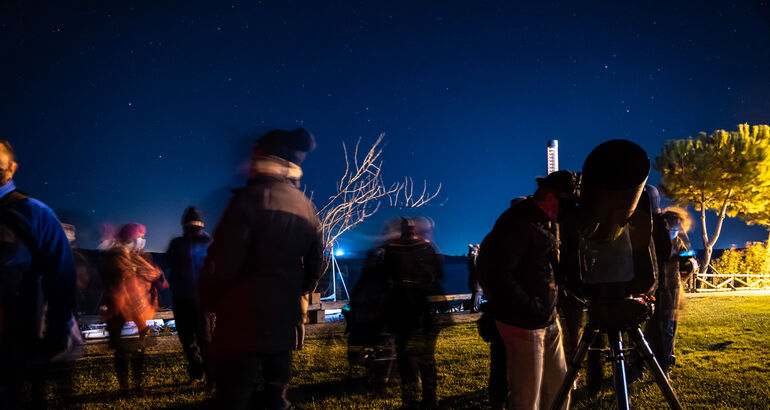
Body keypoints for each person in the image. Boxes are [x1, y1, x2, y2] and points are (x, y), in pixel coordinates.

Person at [199, 128, 323, 410]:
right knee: (275, 395)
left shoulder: (249, 200)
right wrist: (297, 292)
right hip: (283, 318)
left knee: (235, 396)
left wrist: (208, 299)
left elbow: (224, 261)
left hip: (241, 318)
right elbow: (315, 263)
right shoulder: (307, 206)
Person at [476, 171, 577, 410]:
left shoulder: (543, 221)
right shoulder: (517, 223)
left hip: (546, 319)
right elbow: (499, 276)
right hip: (524, 323)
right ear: (552, 198)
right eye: (568, 202)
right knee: (527, 397)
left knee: (559, 388)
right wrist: (533, 308)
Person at [0, 139, 77, 408]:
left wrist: (55, 334)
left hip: (16, 343)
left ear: (12, 168)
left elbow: (62, 275)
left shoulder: (34, 213)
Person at [383, 217, 444, 409]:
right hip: (424, 308)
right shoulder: (426, 248)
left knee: (406, 358)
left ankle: (410, 401)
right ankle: (430, 399)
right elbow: (437, 276)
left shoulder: (392, 248)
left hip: (402, 309)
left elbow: (386, 275)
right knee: (427, 358)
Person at [100, 223, 162, 390]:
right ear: (129, 239)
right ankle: (125, 386)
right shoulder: (115, 257)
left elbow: (155, 275)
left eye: (142, 238)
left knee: (139, 350)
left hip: (139, 311)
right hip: (120, 312)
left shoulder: (141, 256)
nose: (142, 241)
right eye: (139, 237)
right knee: (122, 352)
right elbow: (114, 281)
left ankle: (138, 383)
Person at [165, 206, 212, 384]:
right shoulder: (209, 241)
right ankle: (209, 374)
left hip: (182, 298)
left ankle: (197, 372)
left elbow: (167, 262)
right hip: (202, 298)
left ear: (184, 224)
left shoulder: (177, 243)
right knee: (205, 338)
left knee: (188, 339)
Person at [646, 204, 694, 378]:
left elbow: (685, 259)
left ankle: (666, 358)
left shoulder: (676, 240)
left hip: (672, 287)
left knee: (669, 326)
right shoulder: (659, 239)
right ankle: (661, 361)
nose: (676, 227)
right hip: (662, 287)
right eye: (674, 223)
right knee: (663, 326)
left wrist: (686, 261)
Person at [467, 243, 481, 313]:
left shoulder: (477, 257)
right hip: (473, 278)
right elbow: (470, 256)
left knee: (478, 293)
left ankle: (475, 307)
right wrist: (470, 249)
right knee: (475, 292)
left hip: (477, 278)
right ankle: (473, 308)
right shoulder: (472, 258)